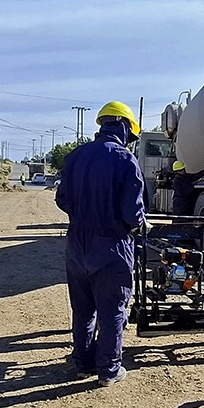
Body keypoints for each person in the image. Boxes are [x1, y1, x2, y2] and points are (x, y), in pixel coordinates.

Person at [54, 100, 147, 386]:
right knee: (113, 310)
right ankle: (108, 370)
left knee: (83, 309)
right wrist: (141, 223)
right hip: (111, 247)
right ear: (124, 126)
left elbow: (62, 200)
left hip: (76, 245)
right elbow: (133, 214)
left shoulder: (75, 157)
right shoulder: (125, 160)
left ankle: (82, 363)